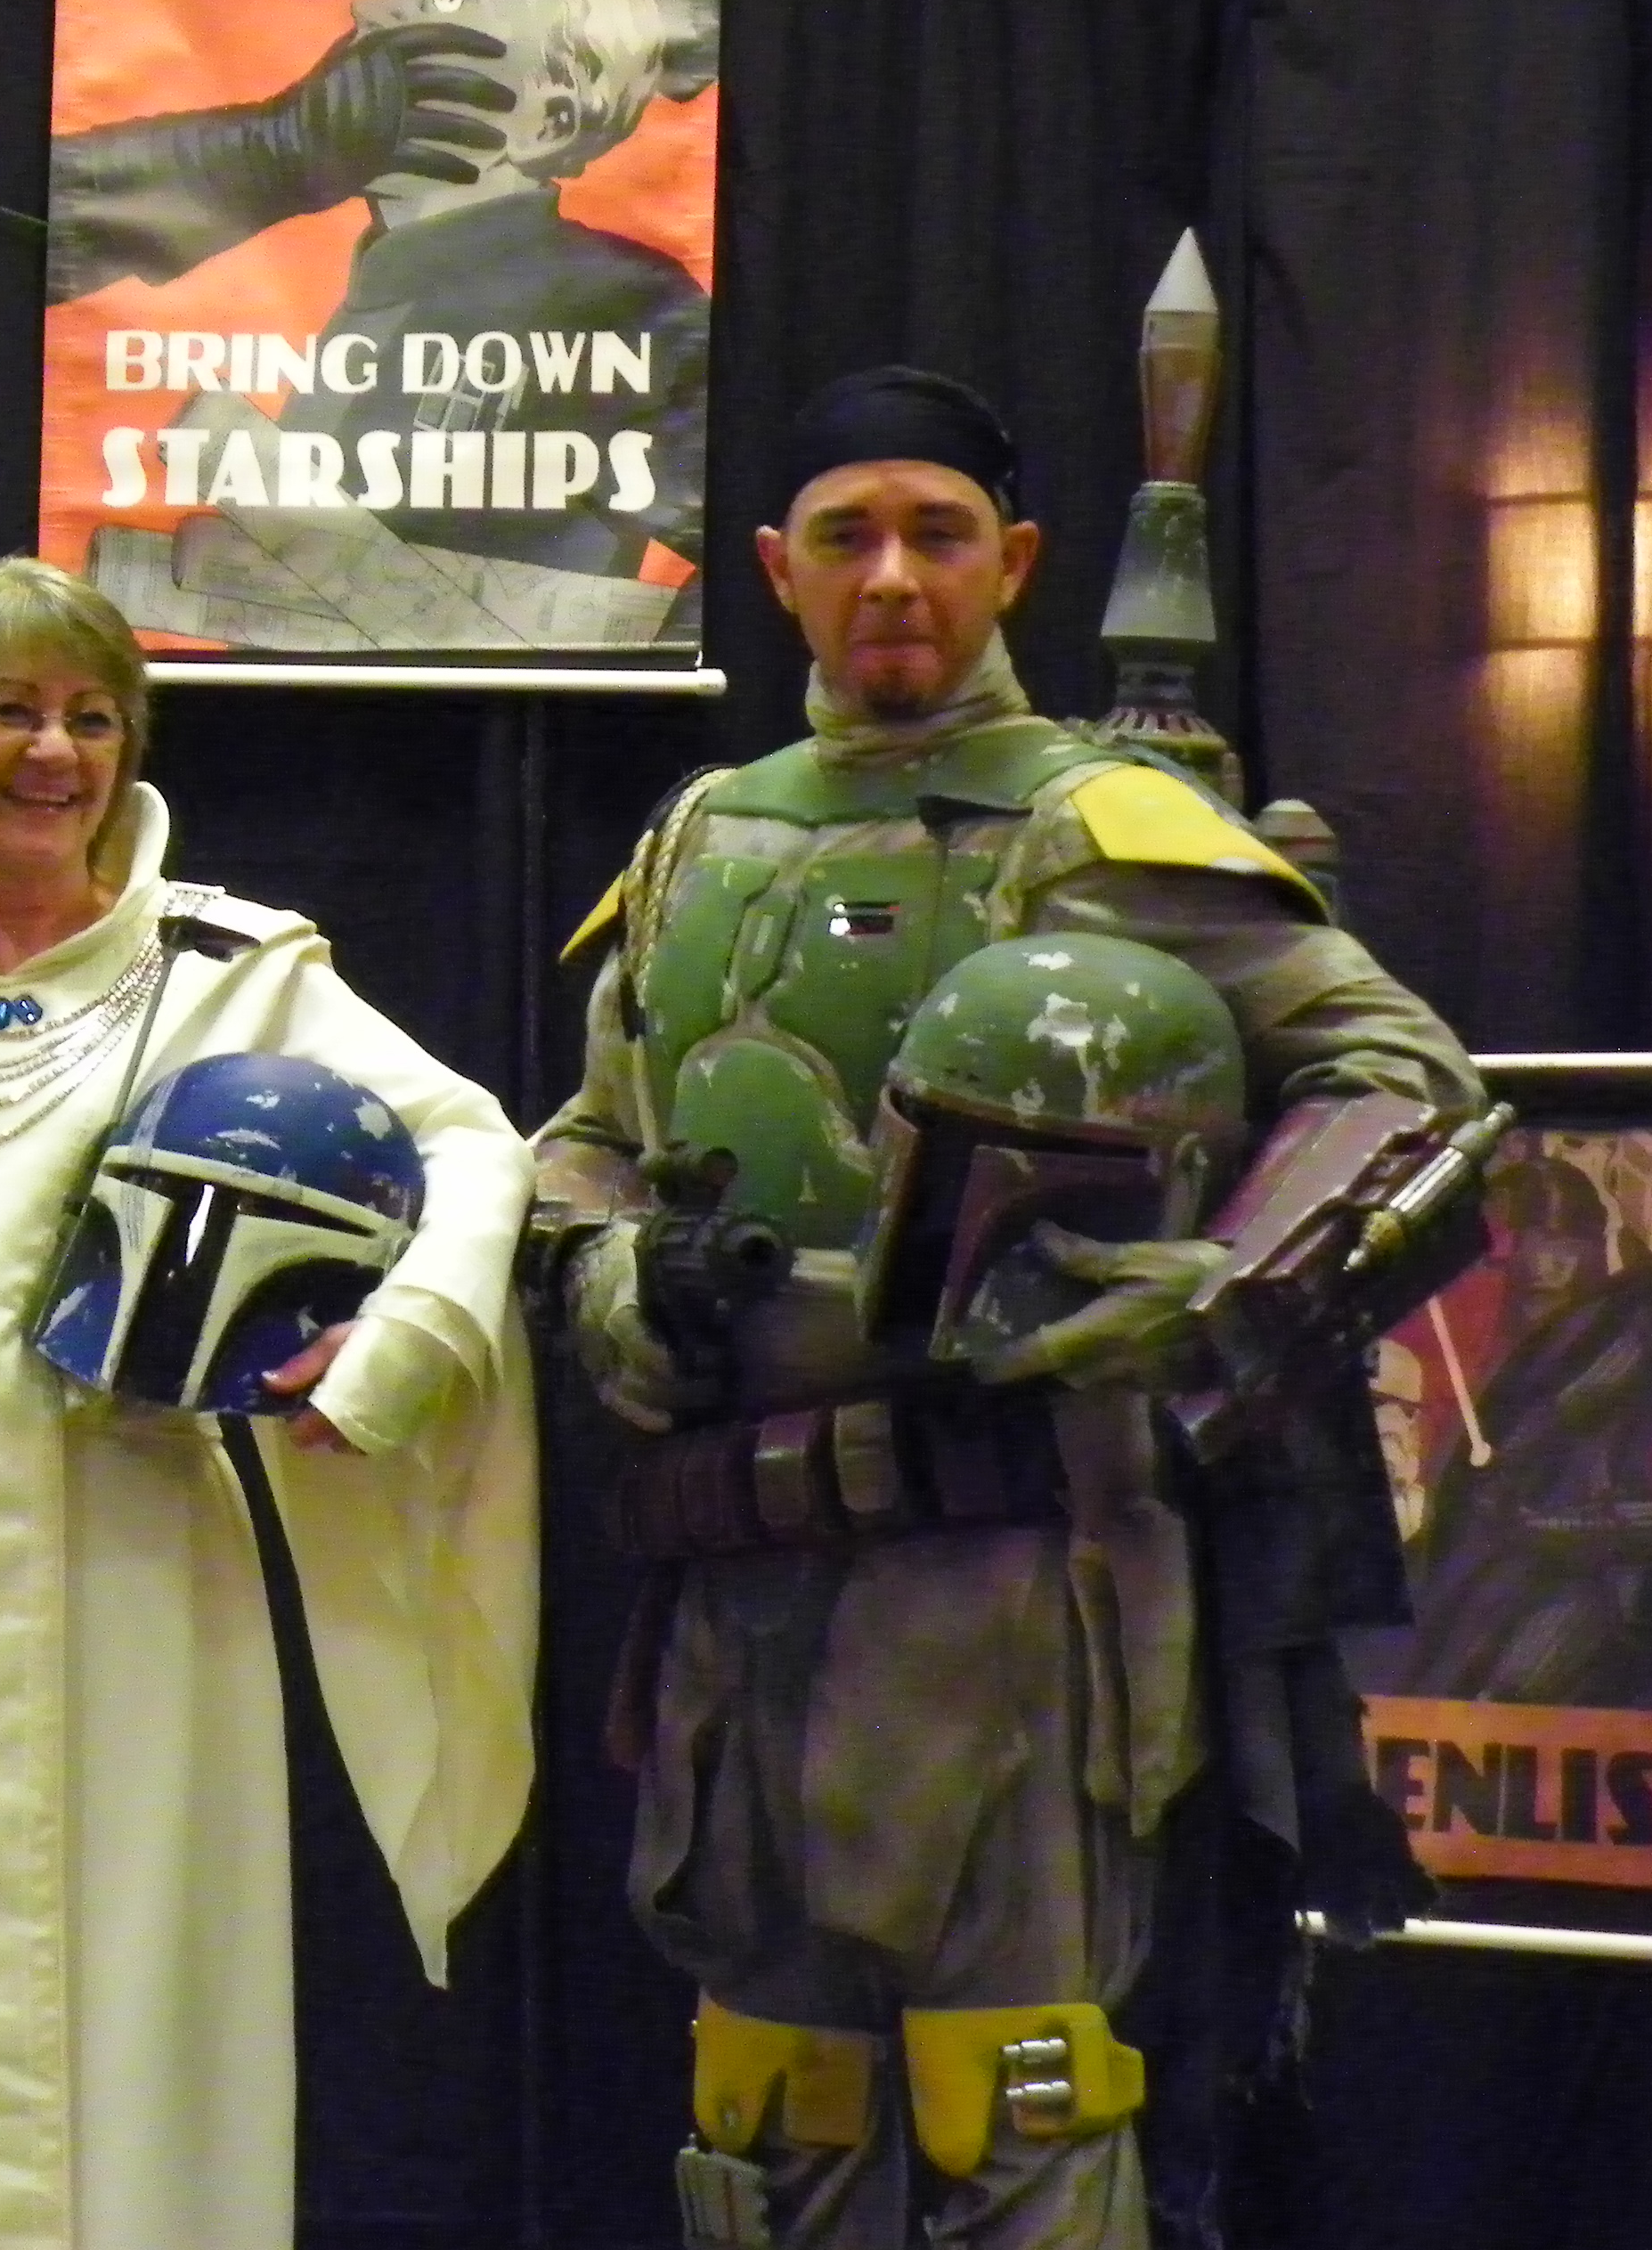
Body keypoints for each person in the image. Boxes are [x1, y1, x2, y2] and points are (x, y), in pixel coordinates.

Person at [535, 366, 1484, 2250]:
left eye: (937, 533)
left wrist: (1218, 1295)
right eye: (846, 537)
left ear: (1014, 562)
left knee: (1016, 2105)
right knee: (768, 2106)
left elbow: (1403, 1087)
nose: (891, 576)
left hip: (1013, 1579)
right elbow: (587, 1138)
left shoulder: (1101, 827)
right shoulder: (701, 839)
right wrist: (605, 1273)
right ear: (777, 571)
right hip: (734, 1590)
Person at [0, 557, 541, 2250]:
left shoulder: (230, 967)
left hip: (134, 1585)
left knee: (131, 2044)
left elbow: (473, 1146)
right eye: (7, 711)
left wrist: (394, 1353)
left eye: (92, 718)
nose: (55, 753)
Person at [49, 0, 719, 648]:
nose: (368, 8)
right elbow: (42, 230)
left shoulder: (626, 303)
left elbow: (758, 545)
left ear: (546, 121)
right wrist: (272, 153)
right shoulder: (382, 281)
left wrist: (628, 674)